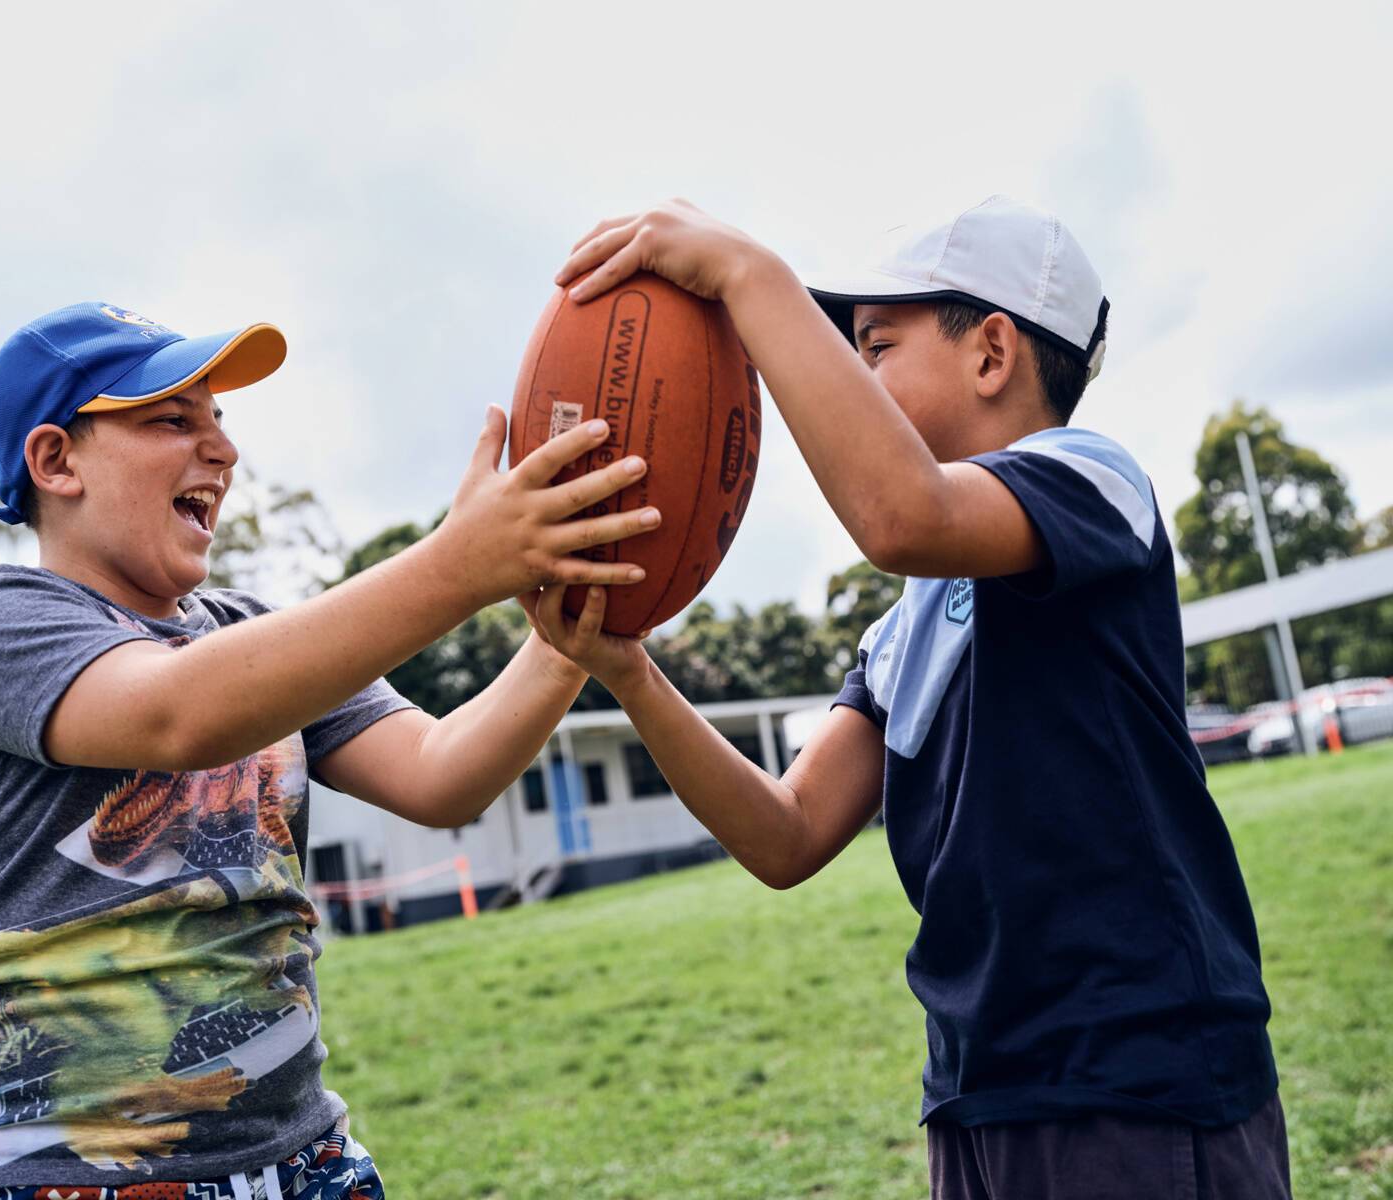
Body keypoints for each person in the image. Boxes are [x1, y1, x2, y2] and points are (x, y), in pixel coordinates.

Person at [524, 197, 1291, 1199]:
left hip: (1136, 1077)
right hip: (980, 1085)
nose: (854, 373)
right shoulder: (906, 626)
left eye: (875, 348)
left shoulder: (1096, 480)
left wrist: (749, 272)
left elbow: (900, 516)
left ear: (993, 354)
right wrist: (627, 668)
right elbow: (786, 835)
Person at [0, 302, 661, 1200]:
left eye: (218, 420)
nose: (223, 450)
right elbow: (178, 715)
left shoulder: (250, 634)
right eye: (173, 420)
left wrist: (565, 643)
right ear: (55, 461)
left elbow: (441, 773)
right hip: (64, 1174)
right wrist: (460, 564)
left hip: (303, 1157)